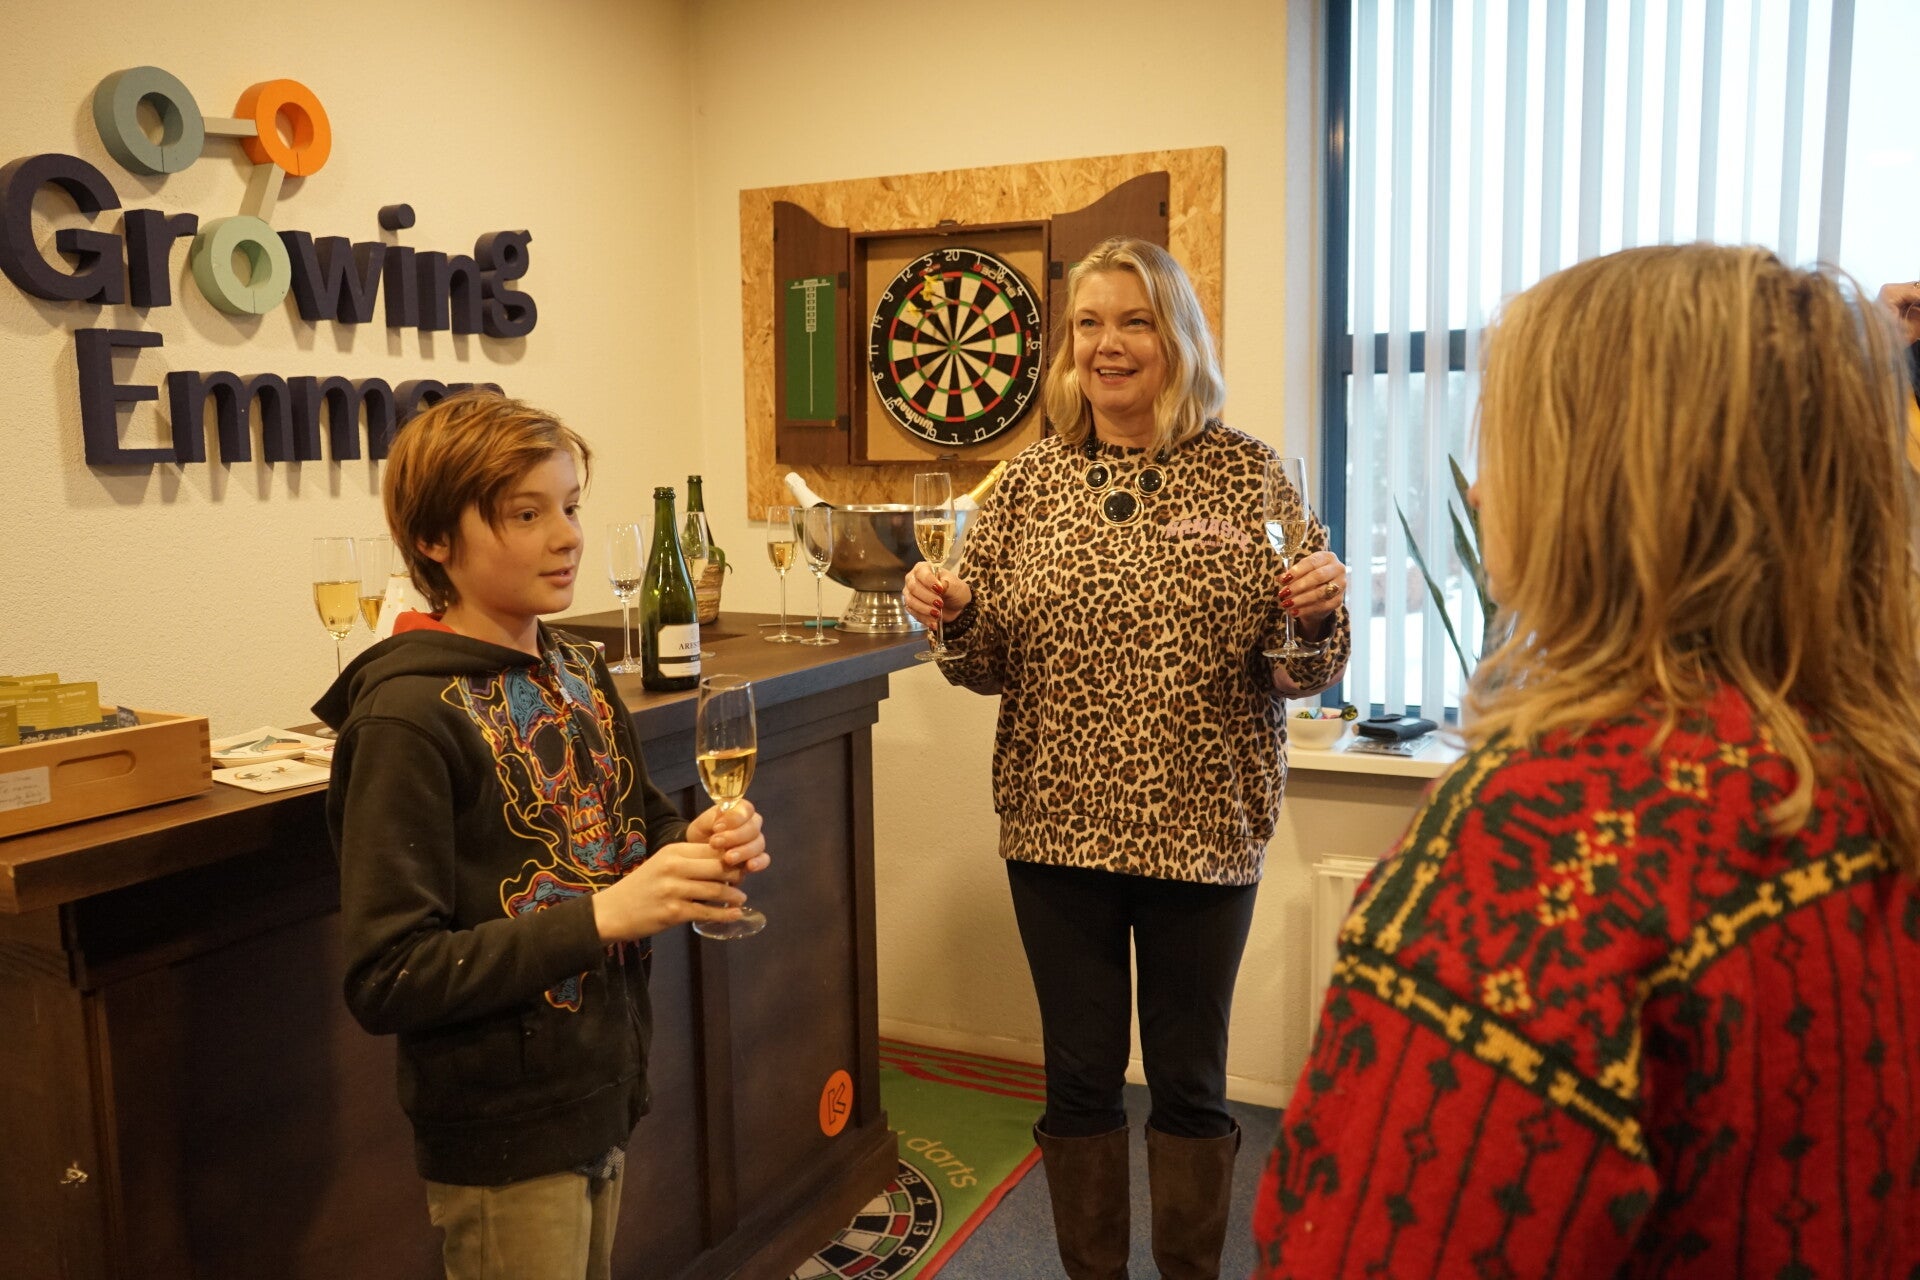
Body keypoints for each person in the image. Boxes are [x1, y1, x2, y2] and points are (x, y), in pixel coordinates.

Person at [1252, 245, 1920, 1276]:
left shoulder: (1554, 833)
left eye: (1509, 440)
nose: (1483, 488)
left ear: (1606, 484)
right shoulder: (1871, 763)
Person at [903, 236, 1352, 1280]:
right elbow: (985, 663)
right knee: (1080, 1083)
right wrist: (956, 613)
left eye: (1135, 321)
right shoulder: (1025, 484)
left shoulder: (1249, 475)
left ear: (1177, 337)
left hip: (1204, 829)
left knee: (1191, 1083)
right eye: (1091, 323)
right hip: (1055, 830)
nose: (1109, 345)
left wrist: (1313, 614)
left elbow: (1299, 668)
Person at [313, 391, 768, 1280]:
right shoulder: (406, 718)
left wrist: (694, 843)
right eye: (527, 515)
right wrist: (604, 916)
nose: (567, 538)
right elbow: (388, 975)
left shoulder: (576, 666)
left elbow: (637, 822)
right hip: (502, 1131)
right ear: (434, 540)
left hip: (600, 1087)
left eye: (570, 507)